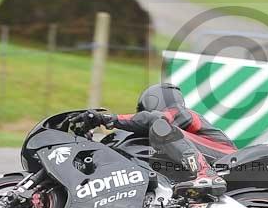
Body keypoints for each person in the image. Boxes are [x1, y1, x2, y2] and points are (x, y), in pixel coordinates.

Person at [70, 83, 236, 200]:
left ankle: (205, 173)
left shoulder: (179, 113)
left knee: (158, 125)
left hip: (226, 157)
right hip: (219, 163)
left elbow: (153, 119)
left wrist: (107, 119)